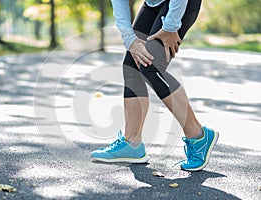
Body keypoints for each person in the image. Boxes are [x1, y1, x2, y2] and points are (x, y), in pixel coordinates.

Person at [91, 0, 219, 171]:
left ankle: (198, 136)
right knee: (132, 65)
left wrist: (170, 27)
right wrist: (130, 40)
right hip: (152, 4)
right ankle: (132, 143)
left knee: (151, 67)